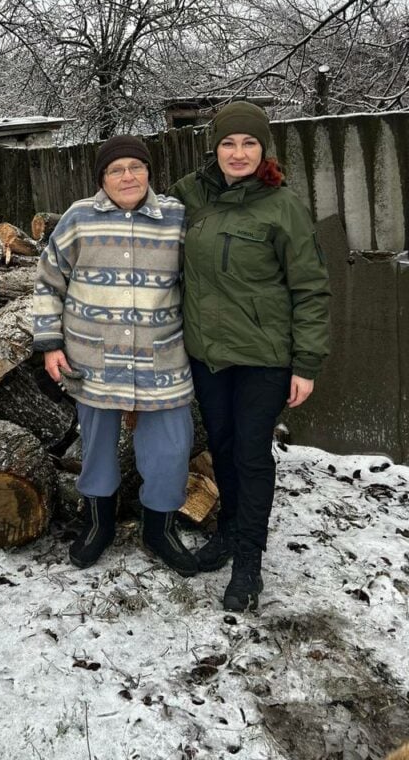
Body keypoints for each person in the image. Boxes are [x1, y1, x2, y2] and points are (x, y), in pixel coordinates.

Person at [170, 101, 330, 611]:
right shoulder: (190, 196)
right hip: (208, 354)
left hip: (264, 355)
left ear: (264, 149)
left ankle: (248, 559)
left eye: (249, 143)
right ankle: (228, 532)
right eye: (228, 143)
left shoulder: (283, 206)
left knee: (251, 452)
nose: (238, 153)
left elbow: (310, 288)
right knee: (221, 445)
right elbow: (143, 226)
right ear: (214, 148)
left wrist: (306, 363)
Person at [33, 134, 197, 575]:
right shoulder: (79, 219)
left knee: (170, 450)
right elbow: (49, 281)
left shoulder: (176, 218)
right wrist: (49, 343)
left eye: (135, 167)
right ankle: (97, 524)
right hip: (94, 362)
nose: (128, 176)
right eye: (116, 170)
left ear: (149, 172)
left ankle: (158, 529)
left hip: (163, 360)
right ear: (102, 179)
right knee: (98, 449)